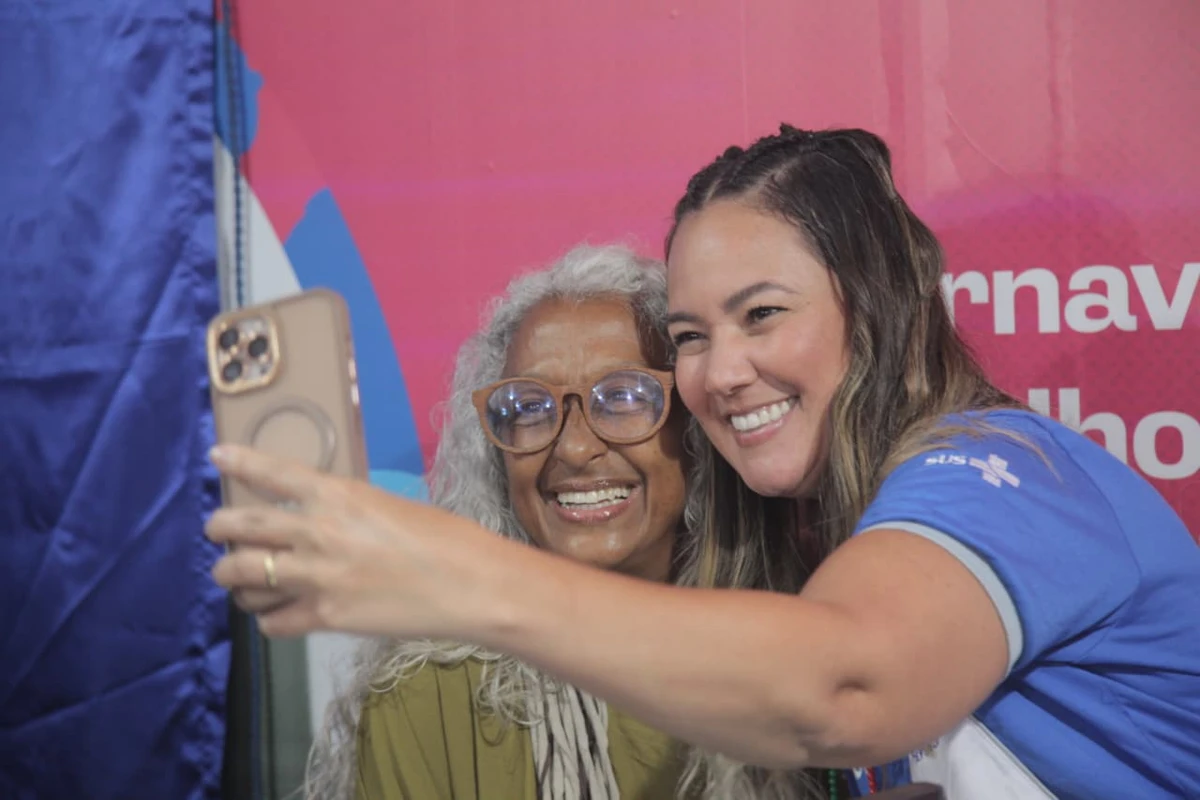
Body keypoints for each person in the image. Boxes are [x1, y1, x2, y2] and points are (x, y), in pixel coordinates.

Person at [207, 127, 1200, 800]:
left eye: (763, 312)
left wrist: (453, 574)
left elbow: (842, 689)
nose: (723, 372)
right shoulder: (842, 545)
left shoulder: (1004, 469)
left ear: (880, 303)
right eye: (689, 333)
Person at [295, 245, 693, 799]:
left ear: (697, 425)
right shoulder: (429, 695)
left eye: (623, 396)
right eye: (528, 408)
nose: (575, 448)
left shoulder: (798, 656)